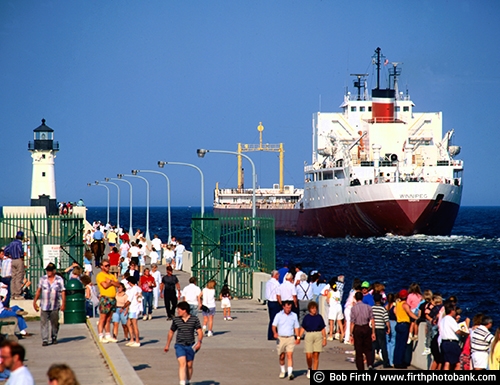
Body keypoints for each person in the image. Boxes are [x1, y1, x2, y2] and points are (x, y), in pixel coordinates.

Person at [164, 301, 203, 385]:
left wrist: (199, 342)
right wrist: (167, 344)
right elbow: (171, 332)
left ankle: (188, 381)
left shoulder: (194, 319)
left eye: (179, 310)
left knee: (189, 365)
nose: (177, 311)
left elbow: (199, 331)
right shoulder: (176, 320)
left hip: (191, 345)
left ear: (184, 310)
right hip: (179, 345)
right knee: (182, 363)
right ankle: (182, 383)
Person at [33, 262, 66, 346]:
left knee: (54, 322)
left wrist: (63, 303)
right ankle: (45, 339)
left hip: (55, 305)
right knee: (44, 323)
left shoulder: (59, 280)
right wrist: (35, 301)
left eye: (50, 271)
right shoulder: (42, 279)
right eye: (47, 270)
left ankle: (54, 336)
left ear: (54, 271)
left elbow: (62, 292)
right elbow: (38, 291)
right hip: (44, 304)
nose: (48, 272)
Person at [298, 301, 326, 379]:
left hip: (318, 335)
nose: (314, 310)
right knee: (308, 355)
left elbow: (323, 328)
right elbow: (303, 328)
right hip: (309, 335)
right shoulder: (307, 317)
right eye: (312, 308)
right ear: (309, 309)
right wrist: (298, 337)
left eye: (315, 308)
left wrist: (324, 338)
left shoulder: (319, 317)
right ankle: (309, 368)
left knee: (316, 355)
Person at [272, 301, 300, 380]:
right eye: (287, 307)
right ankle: (283, 371)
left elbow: (296, 327)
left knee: (289, 355)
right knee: (282, 356)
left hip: (290, 337)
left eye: (290, 307)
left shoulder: (294, 315)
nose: (288, 309)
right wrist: (275, 333)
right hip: (281, 338)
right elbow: (274, 326)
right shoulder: (278, 315)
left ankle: (290, 373)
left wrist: (298, 337)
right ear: (283, 307)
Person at [96, 259, 121, 344]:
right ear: (102, 266)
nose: (108, 267)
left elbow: (118, 285)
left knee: (109, 318)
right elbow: (105, 285)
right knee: (103, 318)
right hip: (105, 298)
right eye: (106, 265)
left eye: (108, 265)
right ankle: (100, 335)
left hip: (112, 298)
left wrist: (110, 281)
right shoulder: (100, 275)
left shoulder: (111, 275)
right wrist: (112, 282)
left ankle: (107, 334)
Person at [350, 291, 376, 370]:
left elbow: (352, 322)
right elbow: (372, 321)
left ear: (355, 298)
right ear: (362, 298)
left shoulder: (353, 308)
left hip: (357, 328)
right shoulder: (368, 307)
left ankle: (360, 368)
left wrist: (351, 334)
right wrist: (373, 332)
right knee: (368, 348)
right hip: (366, 327)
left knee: (358, 350)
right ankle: (370, 364)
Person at [393, 289, 418, 369]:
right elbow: (410, 313)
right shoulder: (405, 304)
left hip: (398, 323)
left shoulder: (398, 304)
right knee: (402, 345)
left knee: (397, 344)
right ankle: (400, 362)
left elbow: (395, 312)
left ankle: (396, 361)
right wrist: (417, 318)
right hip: (404, 324)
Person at [439, 302, 468, 370]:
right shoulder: (450, 319)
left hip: (444, 342)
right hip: (451, 343)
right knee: (458, 363)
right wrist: (466, 333)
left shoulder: (443, 319)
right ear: (452, 311)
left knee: (447, 362)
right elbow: (457, 331)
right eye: (454, 310)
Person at [3, 231, 26, 300]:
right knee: (19, 276)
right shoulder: (19, 243)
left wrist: (9, 255)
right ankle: (18, 294)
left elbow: (5, 250)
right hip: (18, 259)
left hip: (12, 260)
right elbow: (20, 251)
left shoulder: (11, 243)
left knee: (13, 277)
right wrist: (22, 256)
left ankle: (13, 294)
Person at [372, 293, 391, 368]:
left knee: (373, 347)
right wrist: (388, 328)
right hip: (381, 329)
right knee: (383, 346)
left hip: (373, 329)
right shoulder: (383, 309)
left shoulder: (372, 308)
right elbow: (386, 320)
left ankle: (371, 363)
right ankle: (385, 363)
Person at [125, 276, 142, 347]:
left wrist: (124, 307)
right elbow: (140, 299)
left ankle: (137, 341)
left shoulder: (133, 289)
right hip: (137, 308)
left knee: (134, 325)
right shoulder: (139, 288)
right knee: (128, 323)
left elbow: (129, 300)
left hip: (133, 309)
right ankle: (132, 339)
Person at [265, 270, 281, 340]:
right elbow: (278, 295)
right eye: (278, 275)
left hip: (269, 302)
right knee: (274, 320)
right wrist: (280, 303)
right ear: (276, 275)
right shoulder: (276, 283)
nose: (279, 276)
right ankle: (272, 335)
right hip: (275, 302)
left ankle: (271, 334)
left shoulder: (268, 282)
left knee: (271, 318)